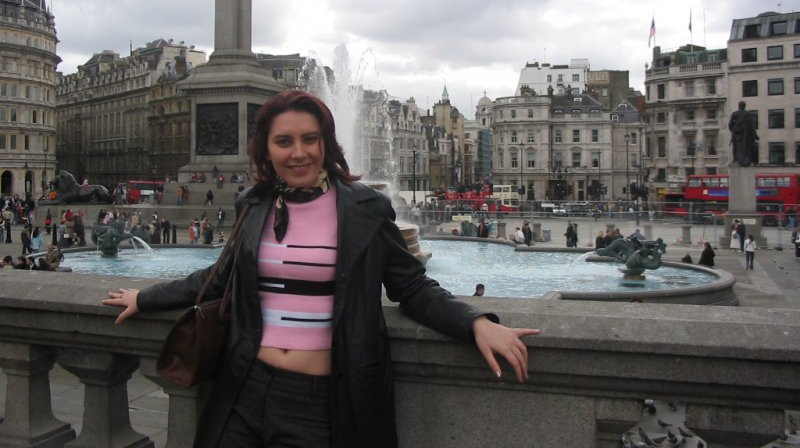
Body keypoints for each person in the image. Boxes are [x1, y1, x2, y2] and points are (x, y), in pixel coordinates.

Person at [103, 89, 539, 448]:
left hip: (323, 399)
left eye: (309, 140)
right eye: (284, 141)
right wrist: (144, 297)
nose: (298, 153)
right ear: (266, 149)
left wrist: (476, 323)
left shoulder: (365, 209)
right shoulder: (253, 205)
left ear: (326, 144)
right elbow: (218, 280)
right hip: (242, 387)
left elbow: (413, 287)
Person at [728, 100, 759, 167]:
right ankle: (747, 159)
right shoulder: (749, 114)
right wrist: (755, 135)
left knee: (735, 147)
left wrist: (733, 130)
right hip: (746, 136)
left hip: (736, 135)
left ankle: (735, 159)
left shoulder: (734, 114)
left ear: (739, 106)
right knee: (746, 148)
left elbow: (730, 125)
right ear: (744, 107)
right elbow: (753, 126)